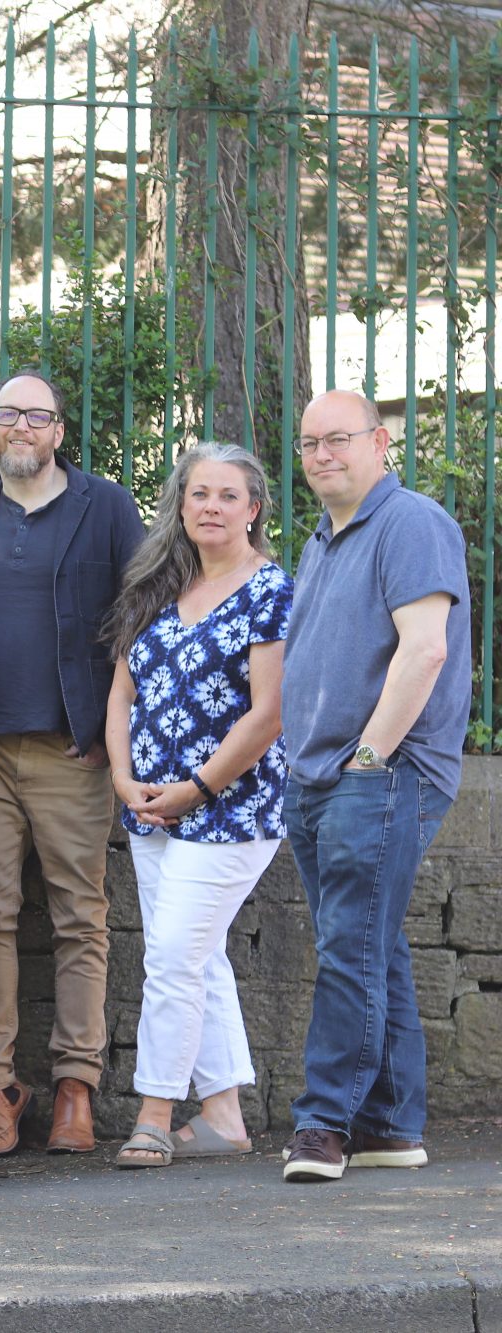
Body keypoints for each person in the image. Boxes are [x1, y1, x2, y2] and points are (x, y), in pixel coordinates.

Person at [0, 370, 144, 1157]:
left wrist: (111, 730)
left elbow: (138, 616)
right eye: (7, 414)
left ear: (59, 431)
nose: (22, 426)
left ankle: (76, 1090)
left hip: (71, 746)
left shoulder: (106, 506)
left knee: (81, 916)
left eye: (37, 415)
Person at [279, 390, 471, 1183]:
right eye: (310, 443)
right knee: (371, 942)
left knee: (348, 946)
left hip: (382, 771)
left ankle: (324, 1124)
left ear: (381, 442)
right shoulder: (322, 539)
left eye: (339, 439)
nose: (323, 454)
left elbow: (424, 650)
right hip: (321, 774)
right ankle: (393, 1124)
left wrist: (368, 757)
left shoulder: (412, 522)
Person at [103, 444, 291, 1168]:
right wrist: (123, 776)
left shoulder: (271, 588)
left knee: (175, 956)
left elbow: (267, 713)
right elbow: (123, 691)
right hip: (148, 805)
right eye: (198, 493)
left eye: (227, 495)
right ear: (181, 505)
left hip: (231, 810)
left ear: (253, 508)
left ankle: (153, 1112)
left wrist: (197, 787)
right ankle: (222, 1116)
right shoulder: (156, 582)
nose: (210, 505)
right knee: (200, 956)